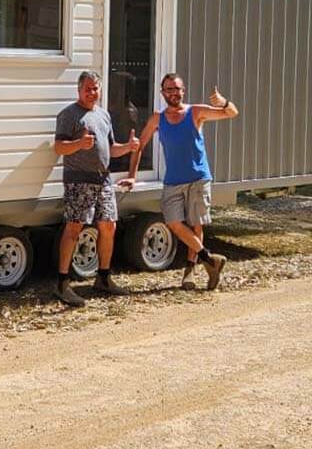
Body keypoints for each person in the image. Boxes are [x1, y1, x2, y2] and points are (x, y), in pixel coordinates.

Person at [127, 73, 239, 290]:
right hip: (173, 180)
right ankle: (210, 260)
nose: (173, 93)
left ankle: (190, 270)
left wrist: (224, 102)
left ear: (183, 91)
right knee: (174, 223)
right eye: (169, 89)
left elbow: (232, 113)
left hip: (198, 177)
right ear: (162, 93)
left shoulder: (195, 112)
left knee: (196, 224)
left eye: (177, 89)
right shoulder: (157, 118)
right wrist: (132, 175)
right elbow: (139, 146)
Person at [52, 71, 141, 308]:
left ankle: (103, 278)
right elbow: (59, 148)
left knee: (109, 226)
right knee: (74, 228)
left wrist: (129, 147)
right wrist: (79, 144)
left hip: (104, 180)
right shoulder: (69, 115)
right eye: (88, 89)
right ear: (79, 90)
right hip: (79, 181)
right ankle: (62, 283)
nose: (92, 93)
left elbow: (111, 149)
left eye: (95, 89)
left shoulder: (103, 115)